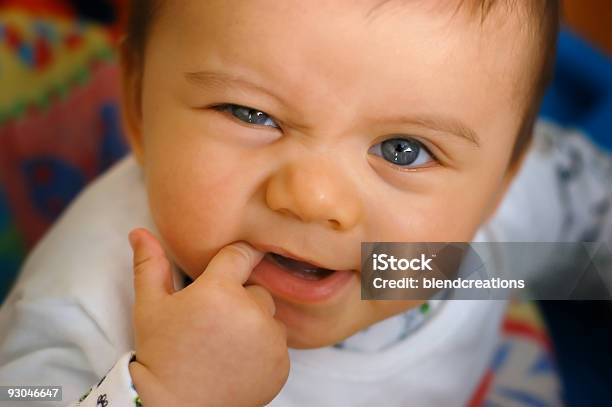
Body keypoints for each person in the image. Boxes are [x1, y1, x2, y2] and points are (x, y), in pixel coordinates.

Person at [5, 0, 608, 405]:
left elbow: (585, 226)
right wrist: (168, 393)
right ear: (136, 102)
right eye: (251, 114)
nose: (315, 199)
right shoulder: (88, 299)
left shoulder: (465, 244)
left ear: (501, 180)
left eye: (402, 150)